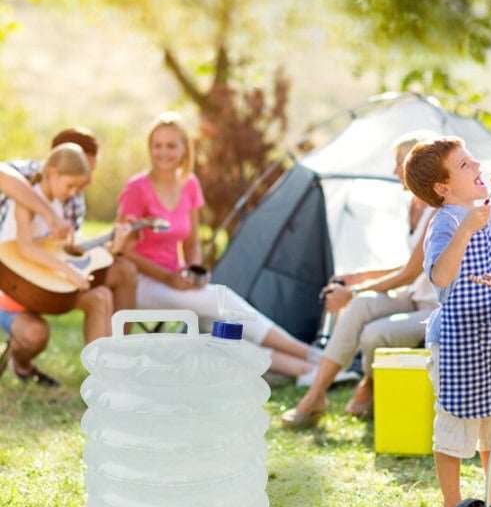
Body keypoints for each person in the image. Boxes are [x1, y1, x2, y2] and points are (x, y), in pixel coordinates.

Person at [117, 112, 321, 376]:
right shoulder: (137, 188)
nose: (163, 152)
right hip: (141, 283)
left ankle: (304, 369)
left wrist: (194, 272)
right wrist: (168, 278)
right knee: (220, 301)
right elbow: (123, 248)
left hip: (177, 281)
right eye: (157, 145)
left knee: (219, 326)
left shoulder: (189, 184)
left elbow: (191, 243)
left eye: (171, 145)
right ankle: (314, 357)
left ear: (184, 149)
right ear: (149, 148)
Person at [403, 136, 491, 507]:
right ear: (443, 187)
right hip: (457, 340)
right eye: (466, 166)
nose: (478, 169)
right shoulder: (444, 225)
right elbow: (440, 276)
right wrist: (464, 231)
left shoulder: (485, 215)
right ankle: (452, 506)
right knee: (454, 428)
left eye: (474, 162)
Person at [281, 135, 439, 429]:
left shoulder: (436, 210)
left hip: (435, 307)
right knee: (363, 306)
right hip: (414, 296)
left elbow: (411, 272)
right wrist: (361, 279)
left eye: (400, 165)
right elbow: (410, 264)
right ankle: (315, 397)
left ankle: (368, 382)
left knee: (372, 334)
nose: (394, 172)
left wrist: (351, 291)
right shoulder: (413, 206)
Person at [0, 144, 115, 386]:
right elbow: (26, 247)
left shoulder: (60, 201)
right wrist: (69, 273)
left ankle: (105, 382)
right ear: (52, 173)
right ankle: (20, 365)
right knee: (36, 335)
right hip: (14, 292)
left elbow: (53, 250)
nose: (74, 193)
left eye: (78, 188)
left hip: (46, 290)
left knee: (100, 296)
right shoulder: (27, 198)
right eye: (70, 185)